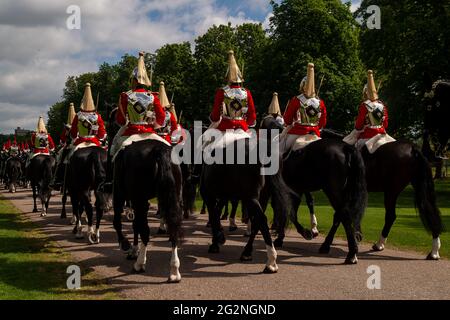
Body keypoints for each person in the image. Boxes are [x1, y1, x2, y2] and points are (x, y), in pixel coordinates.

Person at [280, 63, 327, 155]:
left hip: (297, 132)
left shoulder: (296, 100)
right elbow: (322, 122)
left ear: (302, 86)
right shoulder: (320, 102)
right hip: (315, 133)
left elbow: (287, 120)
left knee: (279, 152)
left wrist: (291, 123)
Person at [343, 70, 395, 153]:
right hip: (382, 134)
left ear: (365, 93)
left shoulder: (365, 105)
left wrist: (358, 129)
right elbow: (385, 124)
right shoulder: (382, 105)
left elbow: (359, 124)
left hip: (368, 135)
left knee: (354, 150)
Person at [209, 50, 256, 132]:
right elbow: (252, 116)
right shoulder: (246, 92)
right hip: (242, 127)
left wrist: (214, 117)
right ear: (240, 78)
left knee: (207, 141)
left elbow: (216, 115)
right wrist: (246, 123)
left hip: (225, 126)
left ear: (227, 78)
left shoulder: (221, 92)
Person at [70, 84, 106, 149]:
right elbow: (101, 133)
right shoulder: (97, 116)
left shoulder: (78, 115)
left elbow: (73, 132)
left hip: (81, 140)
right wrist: (98, 137)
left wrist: (74, 136)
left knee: (69, 155)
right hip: (94, 141)